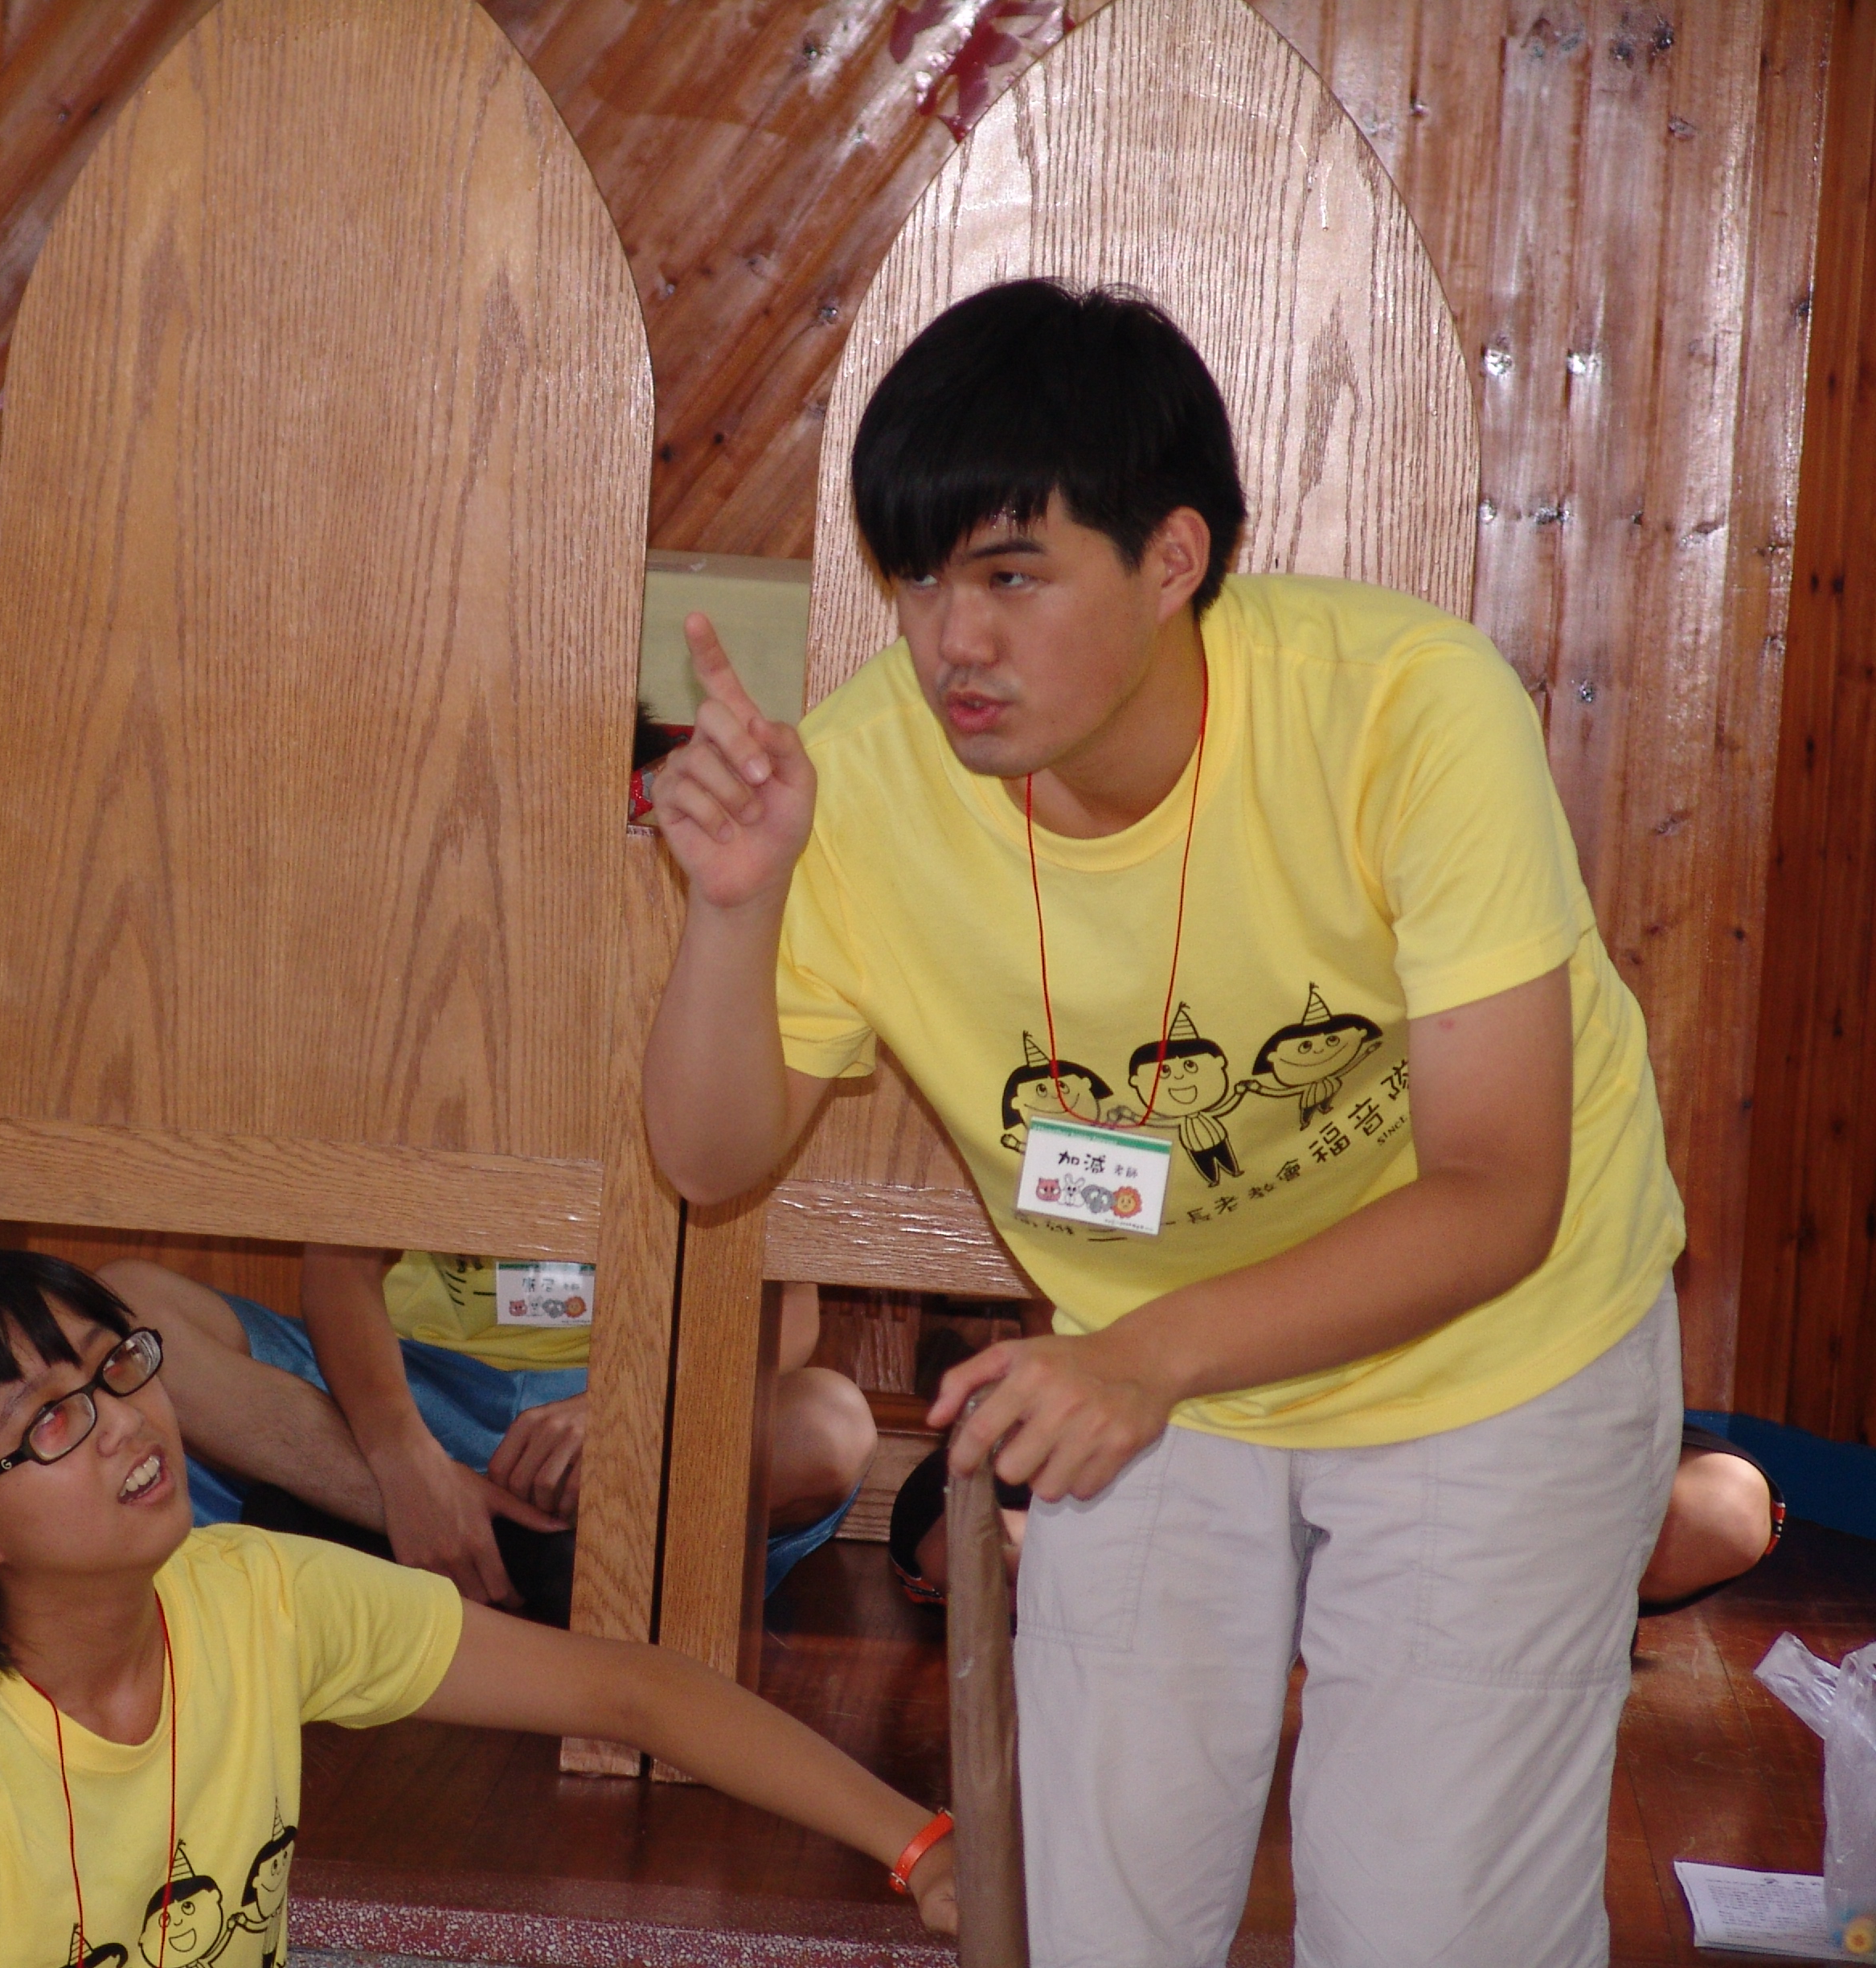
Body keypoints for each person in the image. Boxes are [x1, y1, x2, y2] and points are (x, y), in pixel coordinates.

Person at [641, 278, 1687, 1965]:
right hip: (1145, 1374)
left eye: (1009, 576)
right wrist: (731, 905)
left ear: (1173, 558)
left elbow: (1498, 1192)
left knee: (1421, 1927)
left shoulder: (1402, 708)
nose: (950, 642)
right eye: (917, 582)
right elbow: (705, 1160)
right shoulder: (857, 781)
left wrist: (1143, 1357)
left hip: (1490, 1359)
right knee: (1093, 1923)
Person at [0, 1250, 957, 1967]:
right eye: (51, 1419)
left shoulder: (255, 1598)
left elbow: (631, 1690)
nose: (125, 1421)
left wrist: (921, 1843)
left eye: (115, 1366)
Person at [94, 1251, 875, 1620]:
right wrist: (402, 1457)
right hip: (393, 1395)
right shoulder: (425, 1029)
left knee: (829, 1427)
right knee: (121, 1314)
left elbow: (788, 1317)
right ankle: (524, 1555)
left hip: (616, 1428)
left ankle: (408, 1556)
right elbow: (340, 1269)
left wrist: (633, 1407)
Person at [887, 1420, 1782, 1611]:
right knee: (955, 1538)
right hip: (1208, 1426)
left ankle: (1432, 1570)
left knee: (1728, 1510)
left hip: (1470, 1445)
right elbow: (946, 1539)